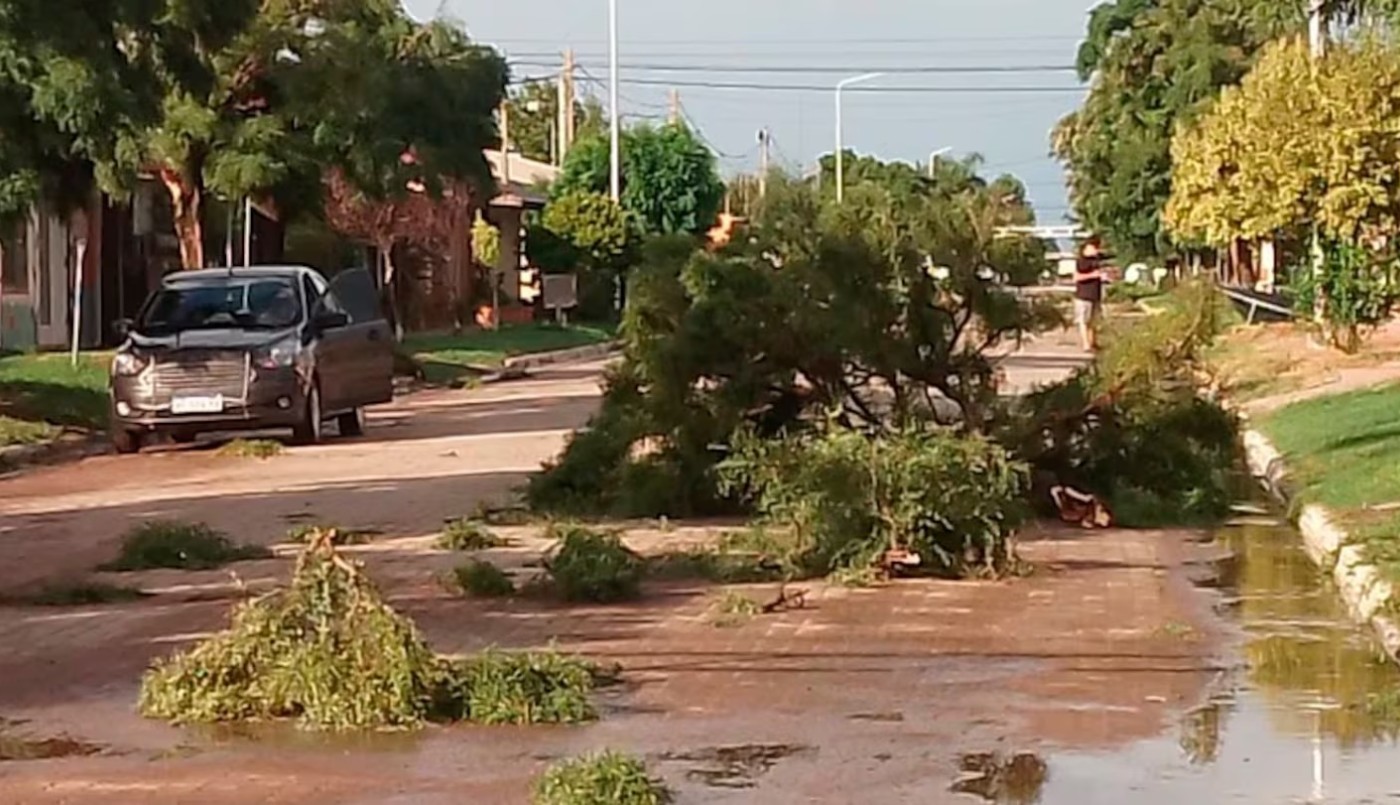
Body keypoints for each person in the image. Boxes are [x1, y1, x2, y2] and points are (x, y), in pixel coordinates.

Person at [1073, 240, 1106, 352]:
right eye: (1092, 248)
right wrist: (1093, 275)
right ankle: (1085, 344)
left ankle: (1093, 342)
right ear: (1085, 249)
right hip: (1083, 296)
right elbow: (1076, 277)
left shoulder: (1096, 261)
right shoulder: (1081, 262)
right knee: (1084, 321)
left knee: (1094, 322)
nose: (1095, 250)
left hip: (1095, 295)